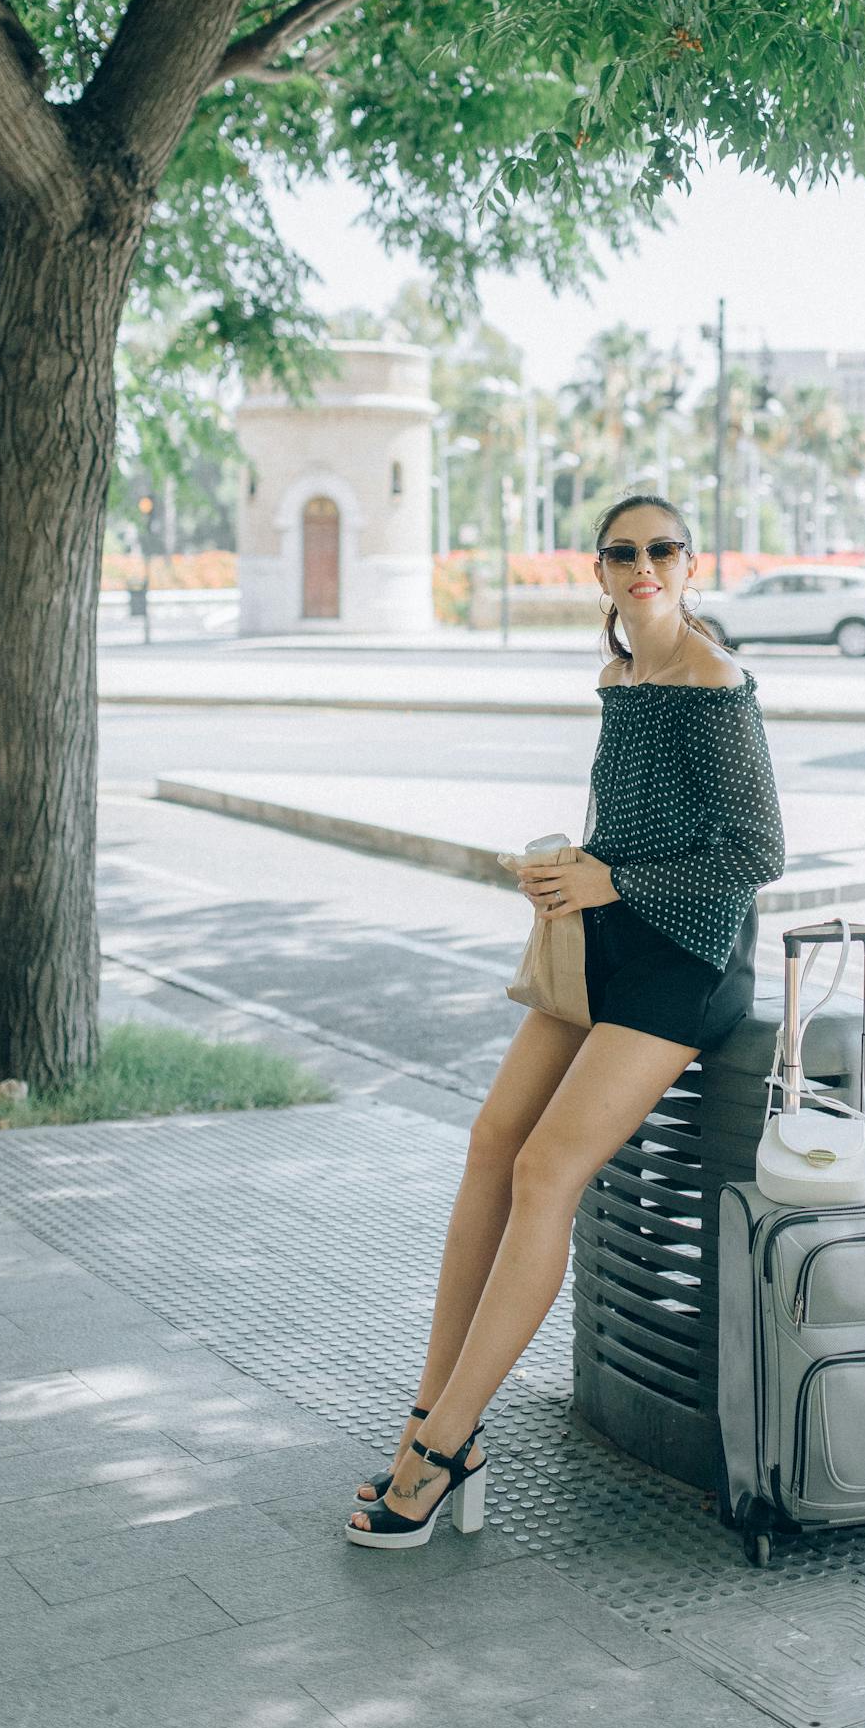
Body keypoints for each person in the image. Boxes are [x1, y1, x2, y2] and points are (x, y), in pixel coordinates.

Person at [346, 492, 786, 1551]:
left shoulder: (714, 685)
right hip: (610, 940)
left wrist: (613, 880)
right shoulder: (620, 674)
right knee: (490, 1141)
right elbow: (625, 826)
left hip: (687, 964)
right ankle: (428, 1408)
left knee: (546, 1169)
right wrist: (566, 875)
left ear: (691, 565)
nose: (645, 566)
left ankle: (446, 1445)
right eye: (624, 552)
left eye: (663, 551)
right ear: (599, 572)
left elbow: (757, 853)